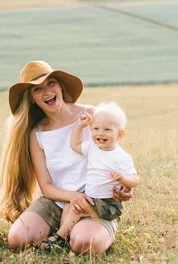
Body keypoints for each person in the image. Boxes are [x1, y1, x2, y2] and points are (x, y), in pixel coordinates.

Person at [0, 60, 133, 255]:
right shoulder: (36, 133)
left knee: (85, 244)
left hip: (94, 201)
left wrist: (123, 187)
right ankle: (62, 230)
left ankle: (84, 230)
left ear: (60, 85)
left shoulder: (91, 116)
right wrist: (72, 197)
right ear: (32, 99)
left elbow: (114, 157)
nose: (46, 91)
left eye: (50, 83)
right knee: (18, 239)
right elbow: (46, 186)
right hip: (55, 201)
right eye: (37, 89)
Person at [40, 101, 139, 249]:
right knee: (72, 206)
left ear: (120, 134)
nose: (100, 133)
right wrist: (79, 126)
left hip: (107, 203)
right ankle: (65, 236)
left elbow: (135, 179)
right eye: (96, 128)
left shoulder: (121, 157)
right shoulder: (93, 148)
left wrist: (123, 179)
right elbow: (75, 145)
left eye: (107, 129)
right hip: (92, 198)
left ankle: (60, 237)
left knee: (77, 209)